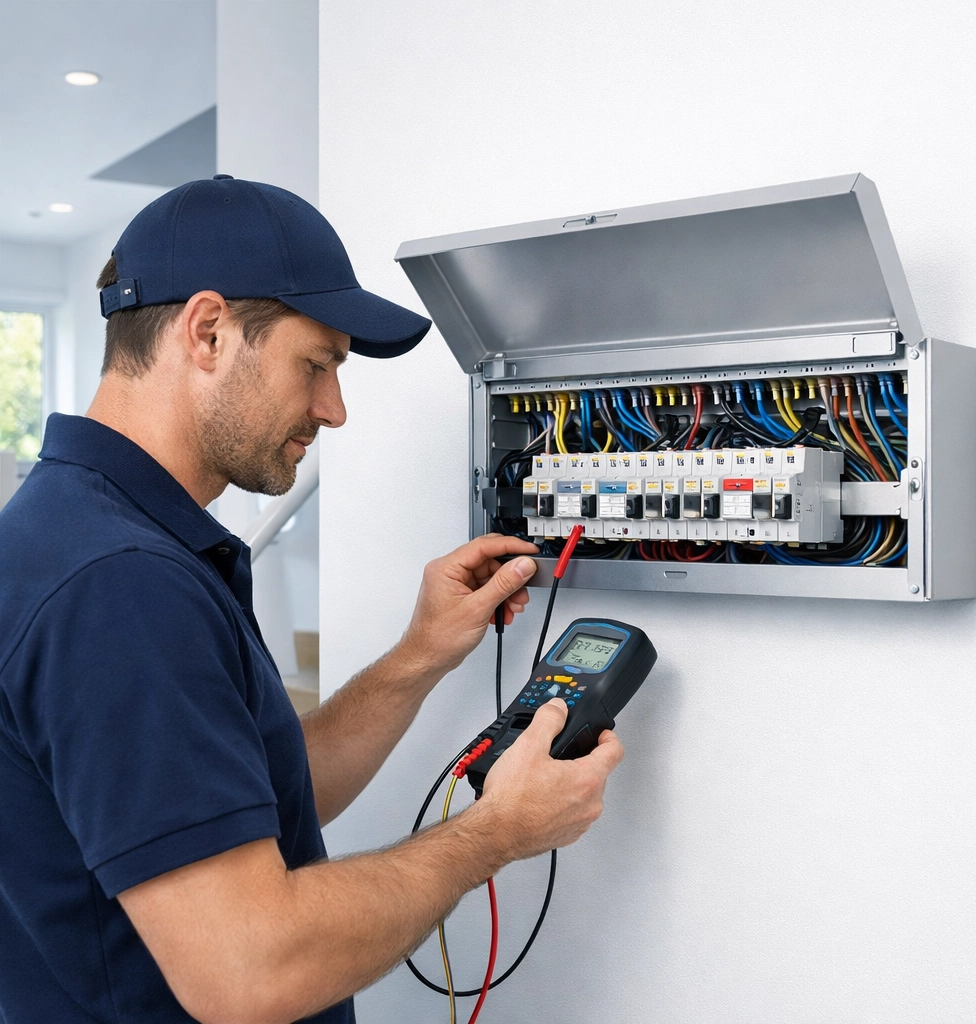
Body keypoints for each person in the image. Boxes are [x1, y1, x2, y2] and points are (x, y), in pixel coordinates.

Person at [0, 176, 624, 1024]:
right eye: (318, 363)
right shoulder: (119, 585)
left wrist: (418, 656)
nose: (333, 409)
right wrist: (497, 832)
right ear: (209, 330)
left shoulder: (79, 532)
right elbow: (249, 970)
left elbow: (252, 794)